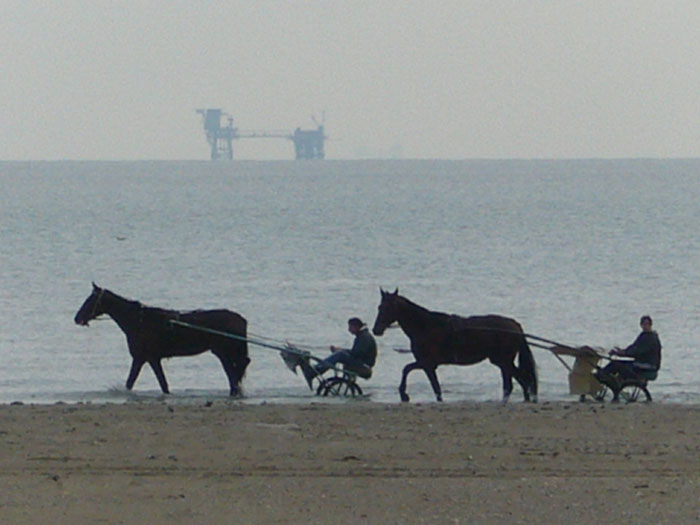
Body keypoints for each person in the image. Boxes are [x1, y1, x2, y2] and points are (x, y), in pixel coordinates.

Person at [300, 317, 377, 388]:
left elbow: (357, 354)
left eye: (350, 327)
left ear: (356, 326)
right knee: (340, 354)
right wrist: (341, 350)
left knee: (340, 355)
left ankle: (316, 370)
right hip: (362, 364)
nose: (349, 330)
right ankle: (317, 368)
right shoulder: (362, 336)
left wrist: (340, 350)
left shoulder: (364, 337)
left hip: (364, 367)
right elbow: (356, 353)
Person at [598, 315, 662, 384]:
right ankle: (606, 377)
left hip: (648, 365)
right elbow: (634, 346)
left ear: (650, 325)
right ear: (641, 325)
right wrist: (622, 351)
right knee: (616, 363)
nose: (645, 326)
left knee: (618, 365)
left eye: (647, 324)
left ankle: (602, 376)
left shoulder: (651, 338)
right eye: (643, 324)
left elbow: (638, 351)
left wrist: (622, 353)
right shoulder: (644, 335)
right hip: (642, 362)